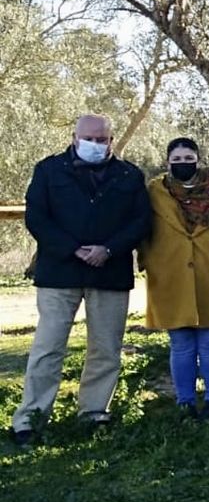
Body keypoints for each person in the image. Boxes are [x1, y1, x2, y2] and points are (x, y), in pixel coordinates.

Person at [12, 115, 152, 445]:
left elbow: (141, 221)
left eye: (102, 139)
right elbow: (36, 217)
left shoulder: (130, 175)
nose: (95, 144)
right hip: (59, 272)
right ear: (74, 138)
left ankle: (94, 413)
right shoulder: (48, 170)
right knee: (48, 347)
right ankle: (30, 419)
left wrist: (109, 249)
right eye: (88, 138)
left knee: (106, 348)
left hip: (110, 272)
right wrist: (72, 249)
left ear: (111, 141)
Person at [142, 137, 209, 420]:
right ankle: (185, 402)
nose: (183, 164)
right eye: (176, 160)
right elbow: (143, 228)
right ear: (167, 162)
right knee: (181, 344)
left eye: (188, 159)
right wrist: (149, 261)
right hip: (170, 274)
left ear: (198, 160)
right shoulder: (156, 191)